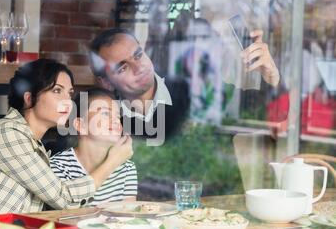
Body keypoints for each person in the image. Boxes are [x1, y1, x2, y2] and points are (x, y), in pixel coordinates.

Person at [0, 59, 133, 218]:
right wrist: (113, 161)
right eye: (56, 91)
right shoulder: (8, 132)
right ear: (29, 98)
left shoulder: (33, 146)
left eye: (69, 94)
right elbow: (65, 199)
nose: (67, 102)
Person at [88, 27, 280, 144]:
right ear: (106, 82)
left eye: (138, 55)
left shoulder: (195, 88)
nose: (139, 67)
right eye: (122, 68)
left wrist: (271, 75)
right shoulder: (103, 118)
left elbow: (263, 113)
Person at [50, 88, 137, 206]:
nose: (116, 121)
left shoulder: (127, 169)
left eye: (117, 116)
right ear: (80, 125)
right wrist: (112, 163)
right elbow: (63, 211)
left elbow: (128, 218)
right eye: (106, 113)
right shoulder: (57, 166)